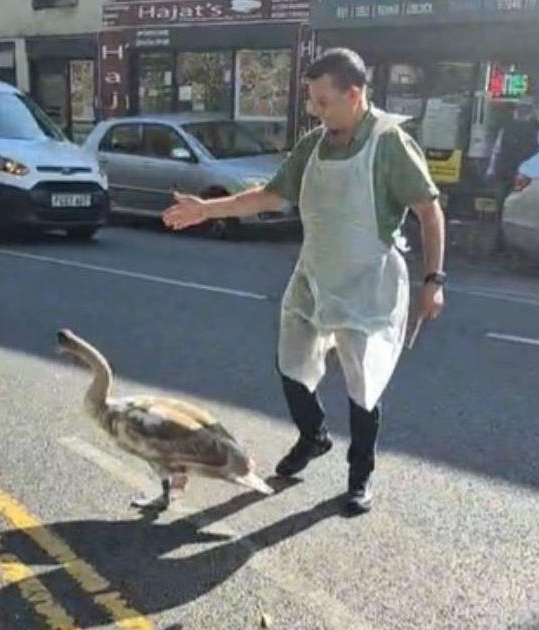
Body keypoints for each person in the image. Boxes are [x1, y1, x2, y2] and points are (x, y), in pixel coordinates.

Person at [163, 48, 447, 515]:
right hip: (313, 275)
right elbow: (271, 195)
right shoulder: (313, 145)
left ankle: (359, 477)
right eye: (312, 101)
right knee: (291, 363)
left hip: (367, 284)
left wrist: (433, 279)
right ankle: (314, 435)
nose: (316, 110)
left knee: (365, 384)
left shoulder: (389, 143)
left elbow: (429, 211)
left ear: (353, 95)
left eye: (323, 101)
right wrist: (206, 209)